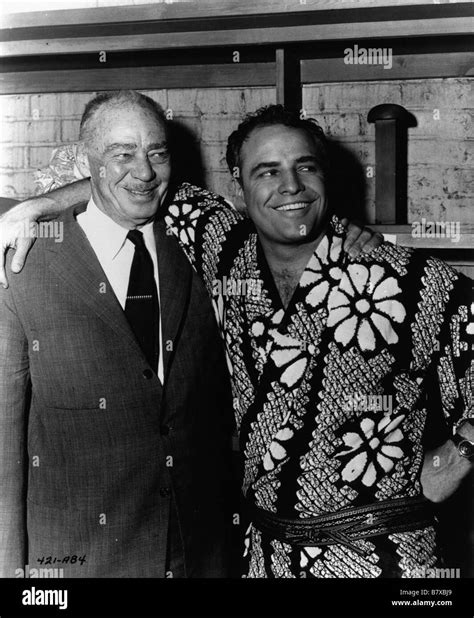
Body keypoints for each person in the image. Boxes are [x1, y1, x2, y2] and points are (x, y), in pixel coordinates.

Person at [6, 101, 461, 578]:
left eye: (305, 166)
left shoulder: (406, 278)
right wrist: (36, 206)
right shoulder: (222, 247)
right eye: (267, 171)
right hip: (260, 558)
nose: (290, 186)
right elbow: (132, 186)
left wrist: (453, 461)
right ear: (238, 189)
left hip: (383, 559)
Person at [0, 90, 236, 578]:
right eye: (123, 153)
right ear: (90, 162)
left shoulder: (205, 248)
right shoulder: (26, 265)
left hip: (199, 553)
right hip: (76, 562)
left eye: (157, 152)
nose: (145, 171)